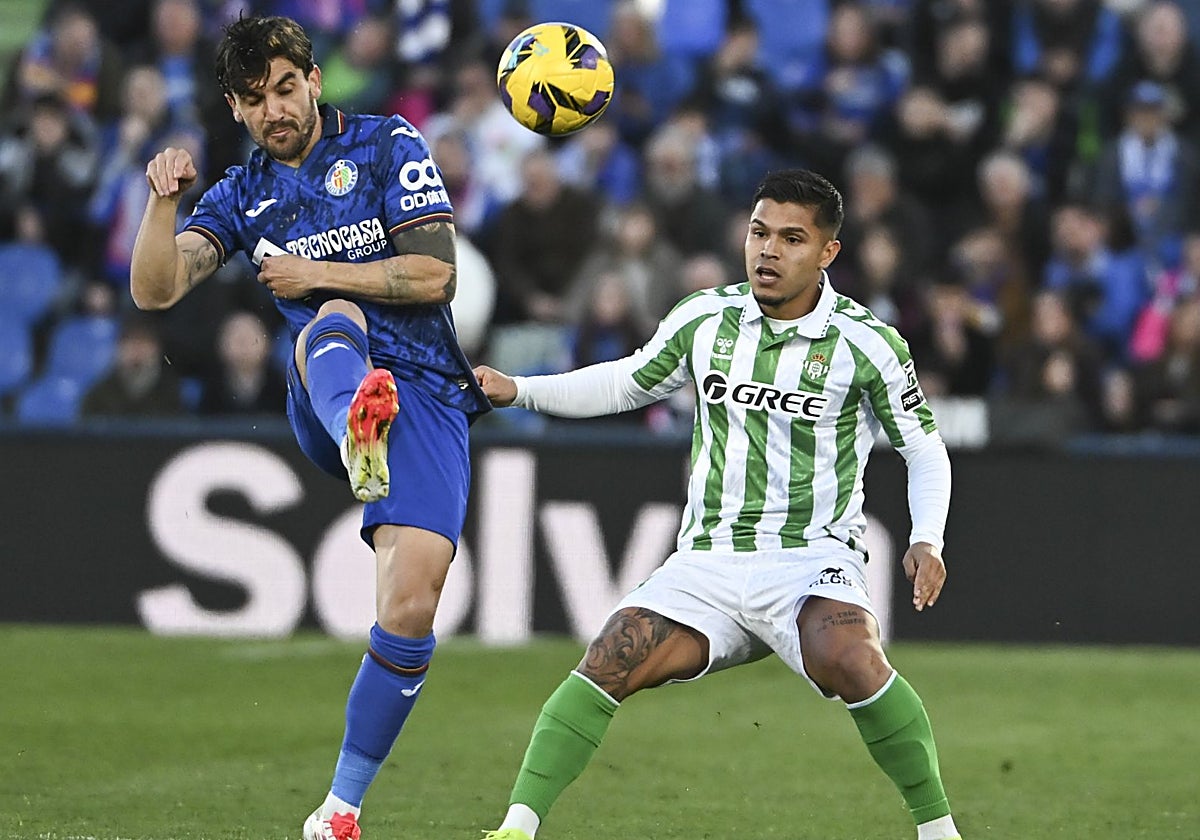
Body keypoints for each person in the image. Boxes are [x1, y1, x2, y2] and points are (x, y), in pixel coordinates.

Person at [472, 169, 962, 840]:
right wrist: (518, 389)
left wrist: (926, 538)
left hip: (809, 561)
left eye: (792, 238)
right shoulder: (707, 318)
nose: (768, 251)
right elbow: (624, 384)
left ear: (827, 253)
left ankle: (940, 834)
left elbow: (924, 449)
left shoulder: (867, 343)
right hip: (707, 562)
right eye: (759, 232)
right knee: (609, 656)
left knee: (855, 659)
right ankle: (515, 830)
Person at [128, 15, 490, 840]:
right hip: (326, 391)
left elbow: (437, 273)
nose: (275, 111)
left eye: (286, 88)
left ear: (315, 79)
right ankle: (355, 424)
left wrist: (308, 268)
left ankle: (338, 811)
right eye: (255, 100)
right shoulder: (240, 192)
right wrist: (161, 202)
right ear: (234, 108)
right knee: (330, 316)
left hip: (427, 392)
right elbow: (156, 290)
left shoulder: (389, 143)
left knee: (411, 606)